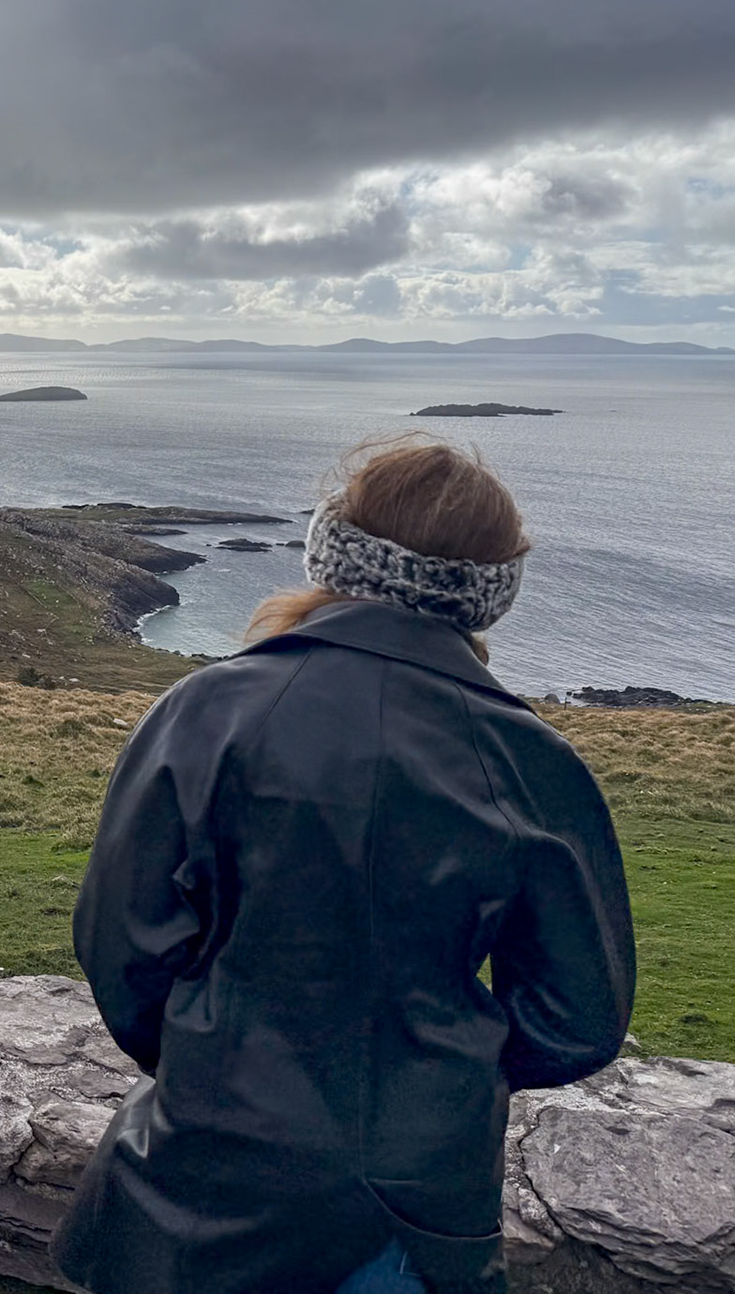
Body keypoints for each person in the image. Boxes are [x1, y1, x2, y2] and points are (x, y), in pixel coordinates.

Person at [49, 439, 635, 1294]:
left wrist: (210, 1059)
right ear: (492, 593)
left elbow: (122, 947)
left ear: (332, 549)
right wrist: (441, 1072)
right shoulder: (533, 762)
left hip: (199, 1171)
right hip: (414, 1209)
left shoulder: (205, 710)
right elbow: (577, 1018)